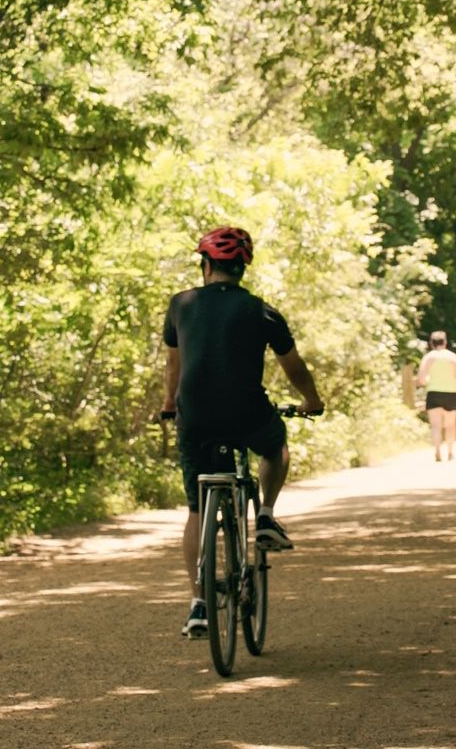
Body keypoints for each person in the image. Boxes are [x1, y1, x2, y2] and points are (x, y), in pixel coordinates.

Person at [158, 226, 323, 640]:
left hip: (195, 417)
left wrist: (169, 405)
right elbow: (294, 366)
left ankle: (199, 603)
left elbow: (173, 369)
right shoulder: (261, 311)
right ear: (242, 269)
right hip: (247, 412)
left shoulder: (181, 305)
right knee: (275, 447)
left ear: (207, 265)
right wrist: (312, 400)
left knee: (197, 508)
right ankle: (265, 514)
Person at [415, 331, 456, 461]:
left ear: (431, 344)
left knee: (435, 425)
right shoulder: (452, 357)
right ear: (445, 342)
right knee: (450, 426)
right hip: (450, 394)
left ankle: (437, 451)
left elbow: (421, 379)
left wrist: (428, 380)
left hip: (433, 393)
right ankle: (450, 452)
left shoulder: (429, 357)